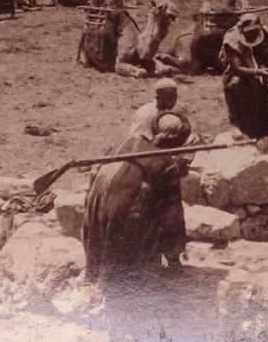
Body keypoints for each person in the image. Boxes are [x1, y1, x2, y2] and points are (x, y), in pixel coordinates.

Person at [82, 111, 193, 295]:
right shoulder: (167, 164)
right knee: (147, 222)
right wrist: (174, 256)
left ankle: (95, 275)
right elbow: (172, 216)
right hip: (122, 221)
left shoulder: (123, 143)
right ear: (179, 143)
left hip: (93, 215)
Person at [220, 12, 268, 139]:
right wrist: (257, 72)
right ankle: (235, 123)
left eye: (255, 34)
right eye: (249, 35)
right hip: (236, 69)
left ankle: (263, 129)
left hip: (256, 59)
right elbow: (237, 66)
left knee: (261, 85)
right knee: (234, 83)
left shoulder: (261, 29)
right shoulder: (232, 39)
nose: (252, 36)